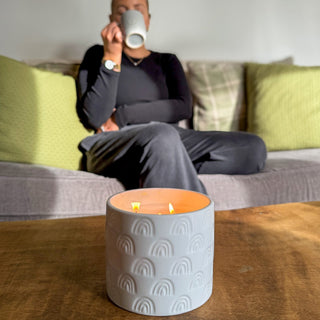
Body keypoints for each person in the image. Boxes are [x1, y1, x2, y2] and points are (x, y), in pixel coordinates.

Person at [77, 0, 266, 194]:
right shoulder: (97, 55)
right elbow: (96, 117)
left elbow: (183, 107)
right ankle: (191, 218)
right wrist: (111, 57)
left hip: (172, 141)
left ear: (147, 20)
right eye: (121, 11)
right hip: (116, 143)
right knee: (162, 137)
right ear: (112, 20)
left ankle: (161, 169)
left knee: (253, 147)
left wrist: (122, 115)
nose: (129, 15)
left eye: (138, 9)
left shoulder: (167, 61)